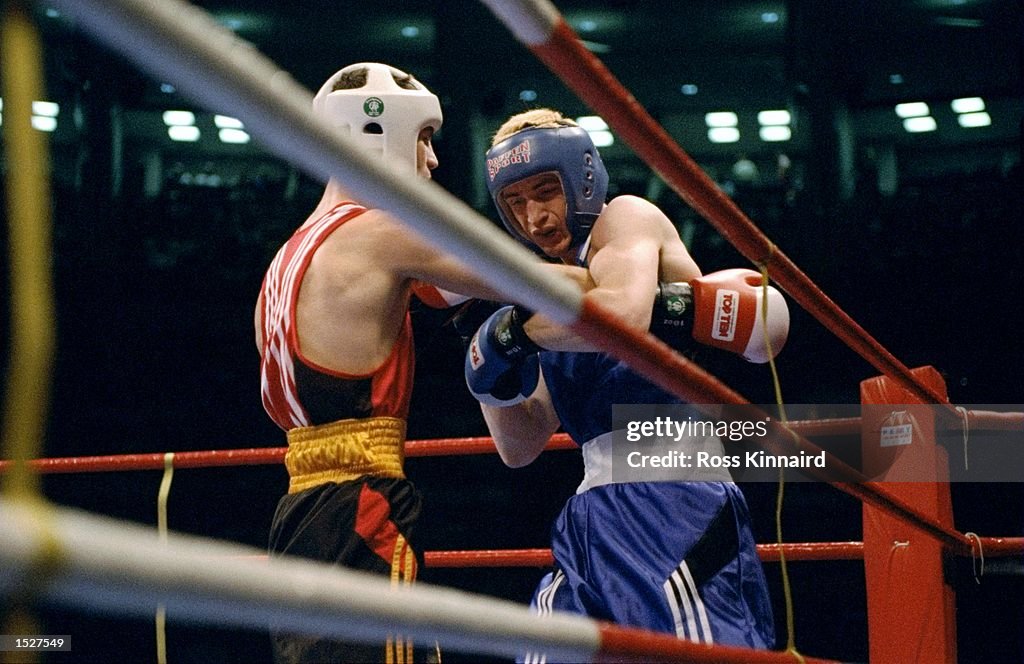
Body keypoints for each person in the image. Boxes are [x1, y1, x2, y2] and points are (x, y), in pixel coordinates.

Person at [256, 67, 588, 664]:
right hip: (361, 506)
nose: (432, 161)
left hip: (300, 510)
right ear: (376, 135)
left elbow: (449, 295)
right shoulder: (379, 232)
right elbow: (546, 285)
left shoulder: (294, 249)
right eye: (423, 139)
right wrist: (644, 269)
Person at [464, 109, 786, 655]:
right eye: (516, 204)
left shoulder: (626, 219)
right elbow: (520, 445)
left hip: (674, 494)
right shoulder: (546, 294)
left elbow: (622, 318)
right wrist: (490, 376)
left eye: (546, 192)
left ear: (582, 177)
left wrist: (518, 330)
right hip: (592, 509)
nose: (536, 218)